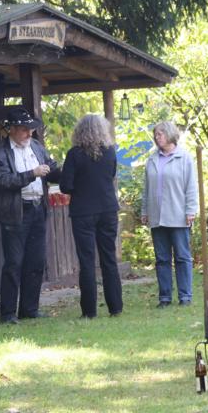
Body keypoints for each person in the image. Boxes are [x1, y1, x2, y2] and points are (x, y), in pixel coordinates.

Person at [0, 108, 61, 324]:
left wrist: (70, 172)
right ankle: (8, 313)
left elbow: (51, 169)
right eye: (24, 129)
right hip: (15, 212)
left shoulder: (36, 147)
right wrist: (32, 174)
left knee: (36, 261)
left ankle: (30, 309)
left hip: (38, 208)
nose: (29, 133)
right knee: (14, 263)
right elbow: (3, 181)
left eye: (30, 129)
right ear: (11, 130)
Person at [60, 114, 123, 319]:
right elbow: (111, 175)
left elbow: (65, 186)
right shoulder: (110, 152)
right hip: (107, 209)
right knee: (109, 258)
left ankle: (89, 311)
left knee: (86, 261)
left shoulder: (74, 154)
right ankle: (115, 306)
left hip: (83, 212)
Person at [141, 121, 198, 308]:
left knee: (182, 257)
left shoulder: (184, 158)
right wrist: (145, 211)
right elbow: (146, 189)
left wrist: (191, 210)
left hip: (178, 214)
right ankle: (164, 297)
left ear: (170, 134)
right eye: (156, 134)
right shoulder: (152, 160)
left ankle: (185, 296)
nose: (157, 137)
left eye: (160, 134)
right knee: (162, 259)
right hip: (157, 216)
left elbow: (191, 186)